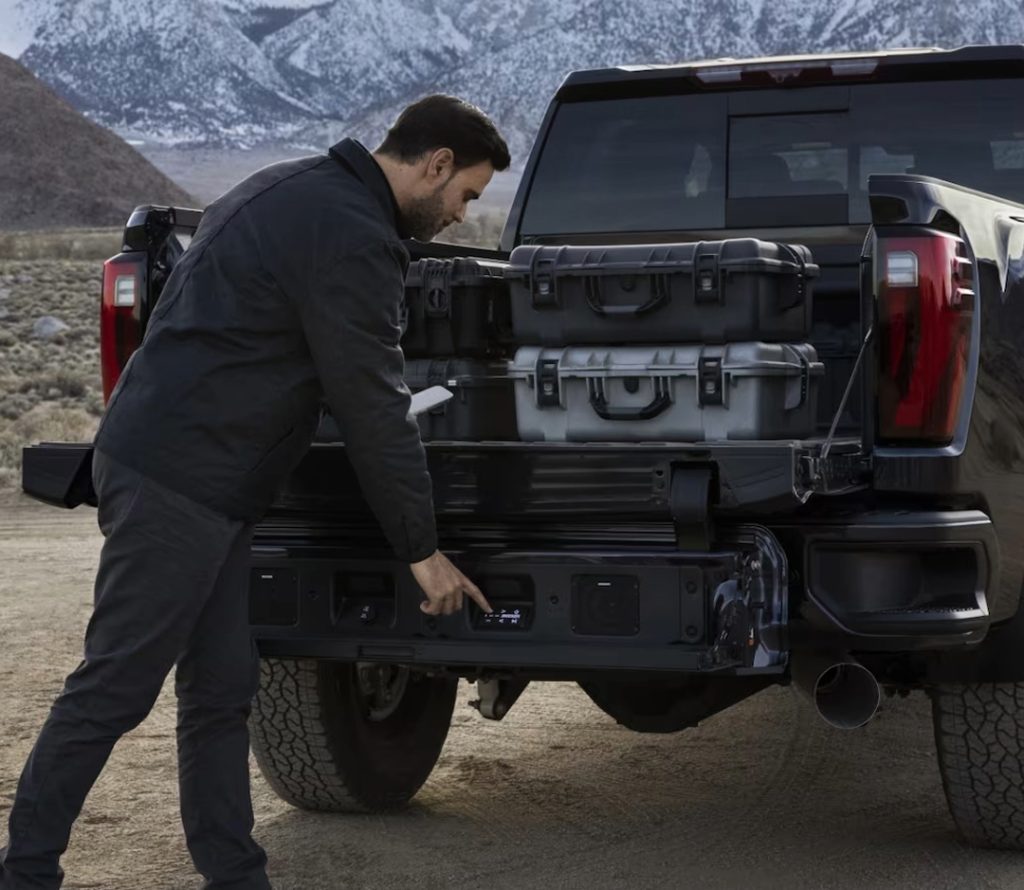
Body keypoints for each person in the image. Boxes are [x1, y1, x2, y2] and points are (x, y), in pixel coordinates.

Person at [0, 94, 508, 890]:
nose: (460, 215)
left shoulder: (287, 184)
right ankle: (24, 872)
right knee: (116, 685)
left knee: (222, 688)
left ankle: (234, 874)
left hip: (208, 476)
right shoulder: (352, 234)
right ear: (435, 164)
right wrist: (422, 552)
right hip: (180, 477)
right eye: (466, 195)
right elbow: (373, 406)